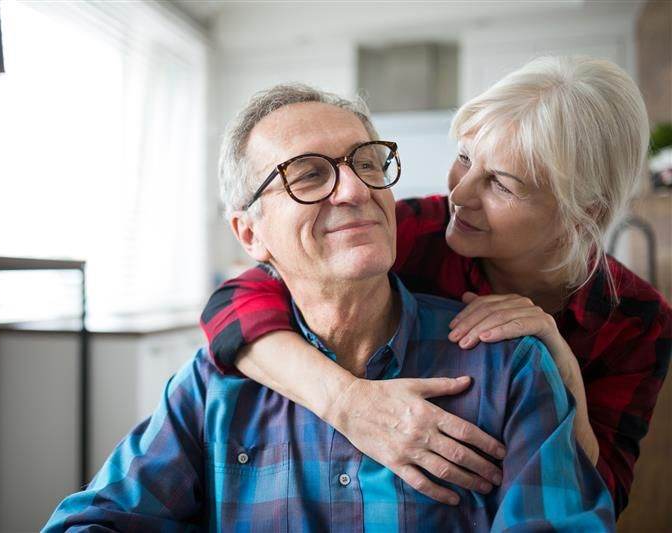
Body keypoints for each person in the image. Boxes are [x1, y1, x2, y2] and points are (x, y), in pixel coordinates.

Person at [44, 84, 615, 532]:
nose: (353, 191)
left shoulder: (510, 368)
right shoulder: (210, 388)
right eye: (309, 176)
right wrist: (345, 400)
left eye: (368, 162)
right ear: (250, 234)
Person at [200, 55, 672, 515]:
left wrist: (565, 374)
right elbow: (233, 303)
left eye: (500, 185)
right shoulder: (416, 231)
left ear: (583, 212)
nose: (460, 194)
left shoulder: (636, 319)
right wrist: (347, 403)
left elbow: (603, 494)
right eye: (464, 158)